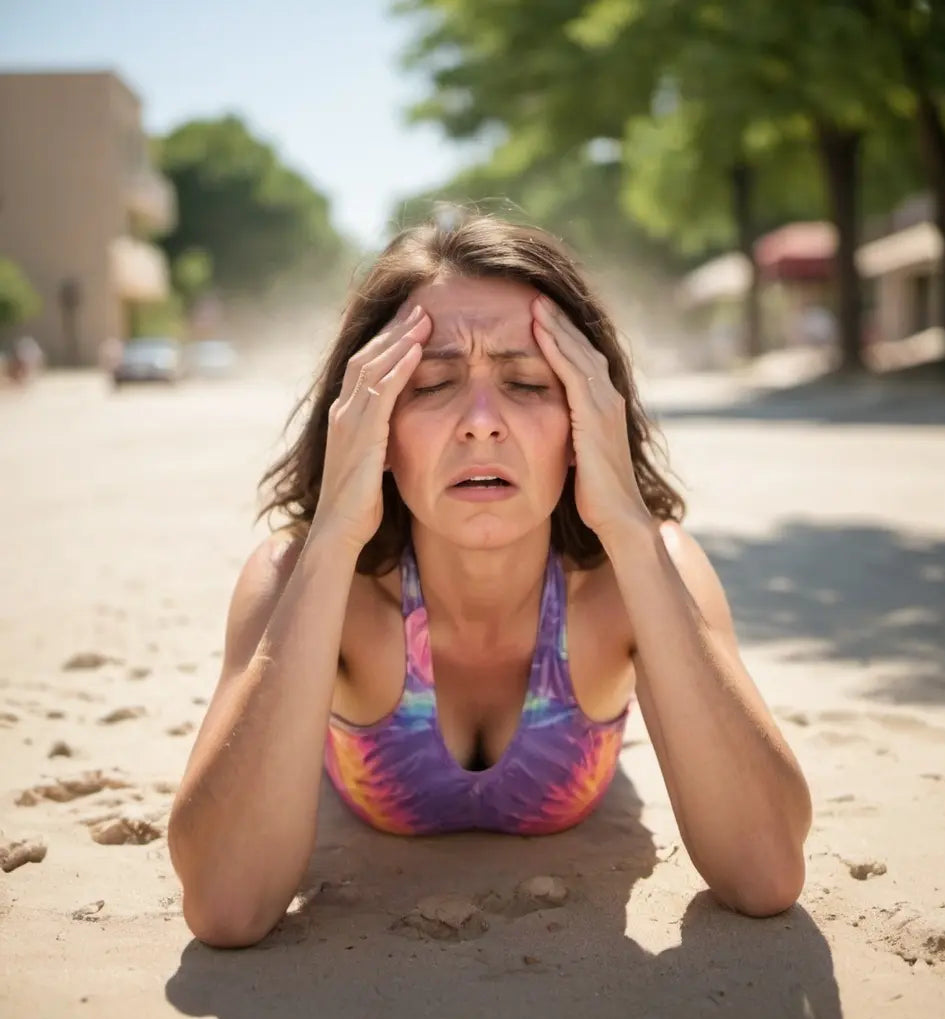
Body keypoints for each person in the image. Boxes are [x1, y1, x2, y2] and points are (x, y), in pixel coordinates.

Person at [167, 214, 812, 948]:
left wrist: (631, 530)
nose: (481, 422)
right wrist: (333, 536)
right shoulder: (299, 581)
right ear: (369, 426)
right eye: (433, 382)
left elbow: (765, 874)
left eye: (528, 382)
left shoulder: (638, 577)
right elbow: (223, 904)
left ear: (585, 419)